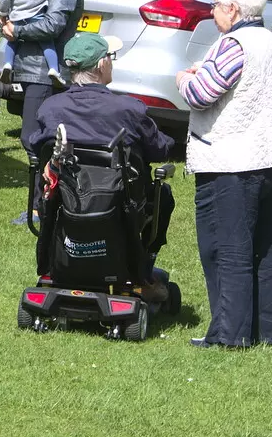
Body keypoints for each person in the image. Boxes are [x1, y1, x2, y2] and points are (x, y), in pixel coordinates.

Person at [176, 0, 272, 349]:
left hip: (233, 161)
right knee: (264, 249)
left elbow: (200, 94)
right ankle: (266, 331)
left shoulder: (234, 44)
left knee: (226, 250)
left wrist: (183, 78)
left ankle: (230, 335)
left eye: (214, 5)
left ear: (232, 8)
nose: (212, 12)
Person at [30, 31, 176, 297]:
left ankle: (64, 263)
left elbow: (35, 145)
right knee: (162, 195)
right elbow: (160, 148)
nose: (111, 61)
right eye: (110, 57)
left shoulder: (50, 108)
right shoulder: (128, 109)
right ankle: (142, 268)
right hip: (120, 201)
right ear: (101, 65)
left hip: (64, 198)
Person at [1, 0, 85, 223]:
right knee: (41, 138)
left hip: (48, 73)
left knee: (35, 138)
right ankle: (47, 204)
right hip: (37, 69)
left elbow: (53, 25)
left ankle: (43, 206)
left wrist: (17, 29)